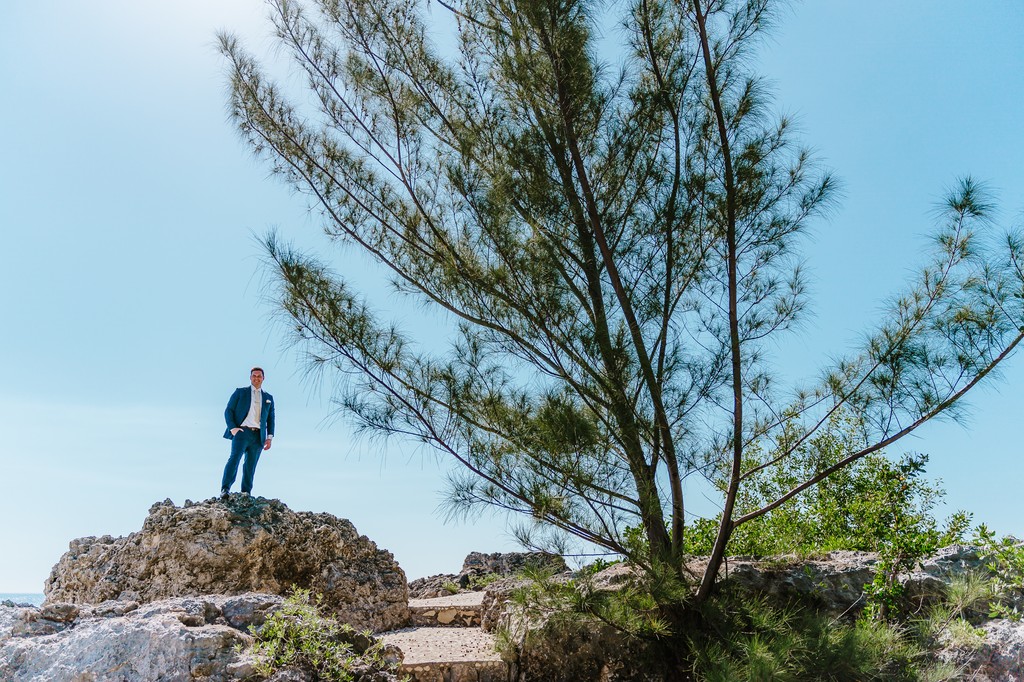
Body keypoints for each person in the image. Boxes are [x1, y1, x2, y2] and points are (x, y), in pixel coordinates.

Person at [220, 367, 275, 499]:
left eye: (259, 376)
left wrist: (269, 437)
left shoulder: (268, 397)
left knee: (250, 465)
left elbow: (271, 418)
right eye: (254, 376)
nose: (256, 378)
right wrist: (233, 428)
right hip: (241, 432)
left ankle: (246, 493)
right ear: (250, 378)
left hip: (258, 436)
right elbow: (228, 411)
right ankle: (225, 489)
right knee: (234, 459)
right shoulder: (240, 392)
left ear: (263, 378)